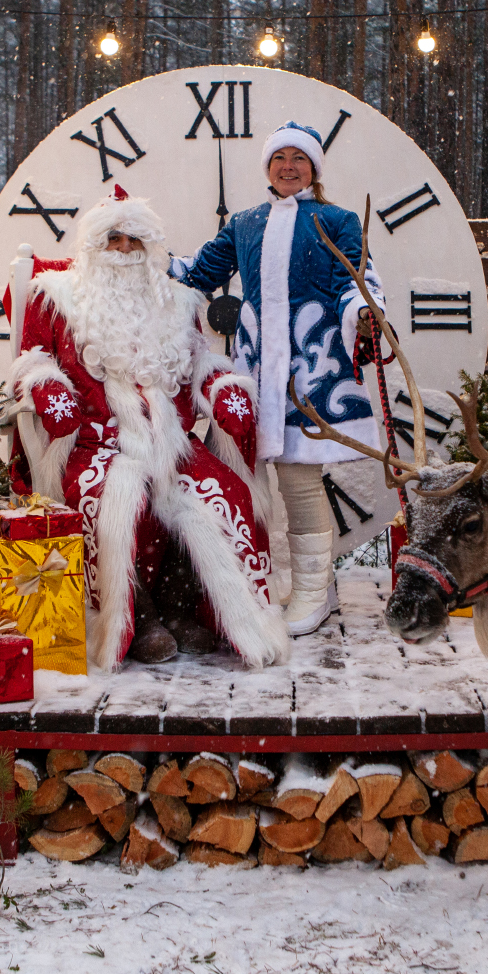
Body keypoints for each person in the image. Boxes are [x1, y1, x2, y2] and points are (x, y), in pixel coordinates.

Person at [8, 185, 290, 670]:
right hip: (96, 446)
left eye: (133, 240)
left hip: (173, 445)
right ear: (94, 246)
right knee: (117, 503)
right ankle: (138, 616)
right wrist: (45, 386)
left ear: (148, 248)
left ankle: (190, 610)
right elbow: (32, 359)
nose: (123, 249)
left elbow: (201, 361)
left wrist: (225, 387)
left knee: (219, 494)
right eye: (113, 238)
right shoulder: (55, 298)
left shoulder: (177, 302)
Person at [170, 122, 387, 636]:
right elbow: (199, 271)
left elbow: (355, 281)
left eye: (299, 158)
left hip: (309, 367)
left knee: (297, 479)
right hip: (255, 368)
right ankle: (298, 585)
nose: (289, 165)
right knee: (251, 479)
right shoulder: (245, 223)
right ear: (268, 167)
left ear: (313, 168)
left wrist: (363, 310)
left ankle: (311, 592)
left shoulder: (336, 220)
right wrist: (141, 257)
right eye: (279, 157)